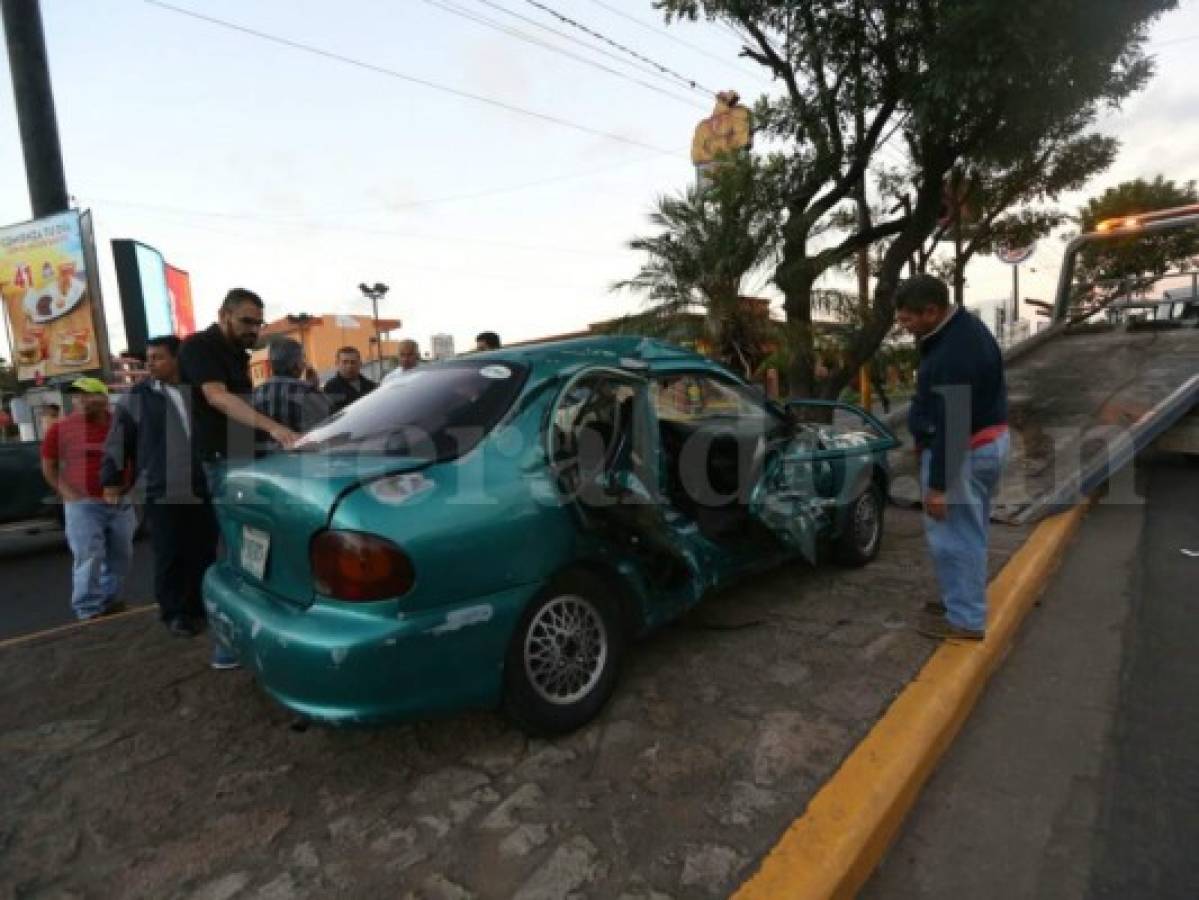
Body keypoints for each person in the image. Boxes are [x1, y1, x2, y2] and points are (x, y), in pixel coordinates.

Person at [179, 288, 298, 668]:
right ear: (224, 315)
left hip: (247, 459)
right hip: (222, 462)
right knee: (234, 551)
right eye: (246, 321)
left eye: (258, 322)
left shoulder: (237, 354)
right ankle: (227, 645)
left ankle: (248, 633)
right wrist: (276, 429)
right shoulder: (200, 347)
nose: (254, 329)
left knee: (253, 547)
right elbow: (217, 398)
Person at [894, 274, 1010, 641]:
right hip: (984, 442)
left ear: (931, 311)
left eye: (908, 319)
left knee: (954, 537)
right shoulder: (961, 329)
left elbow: (954, 423)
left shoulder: (953, 353)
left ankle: (965, 620)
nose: (903, 325)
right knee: (968, 531)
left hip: (964, 451)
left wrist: (940, 486)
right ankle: (959, 600)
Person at [101, 335, 212, 637]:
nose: (150, 363)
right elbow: (118, 440)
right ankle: (174, 613)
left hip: (202, 484)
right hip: (161, 486)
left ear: (178, 359)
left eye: (158, 357)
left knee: (203, 550)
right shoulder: (138, 396)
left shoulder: (200, 391)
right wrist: (110, 479)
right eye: (149, 358)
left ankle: (201, 606)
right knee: (169, 551)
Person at [39, 377, 136, 621]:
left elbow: (136, 457)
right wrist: (69, 495)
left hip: (120, 501)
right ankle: (88, 609)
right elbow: (48, 467)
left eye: (86, 394)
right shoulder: (60, 429)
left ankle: (111, 600)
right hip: (83, 504)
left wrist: (129, 485)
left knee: (121, 554)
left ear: (103, 399)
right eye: (76, 396)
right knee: (88, 556)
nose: (80, 400)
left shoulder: (121, 425)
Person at [252, 338, 331, 447]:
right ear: (296, 364)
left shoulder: (255, 393)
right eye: (302, 359)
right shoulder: (306, 391)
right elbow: (329, 425)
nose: (304, 363)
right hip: (304, 458)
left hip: (268, 460)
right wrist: (315, 389)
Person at [322, 346, 376, 414]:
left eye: (353, 362)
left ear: (360, 363)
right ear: (337, 364)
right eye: (345, 362)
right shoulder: (331, 388)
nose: (349, 366)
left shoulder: (371, 387)